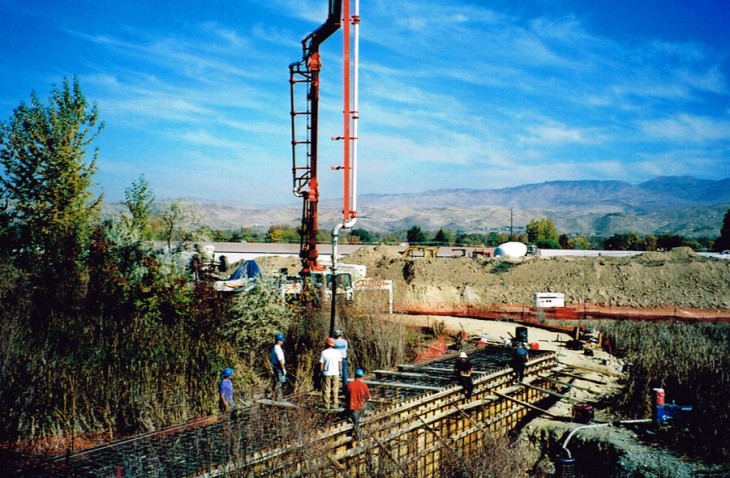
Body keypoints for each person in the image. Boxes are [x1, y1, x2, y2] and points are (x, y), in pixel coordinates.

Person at [346, 369, 371, 440]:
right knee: (357, 422)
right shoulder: (364, 385)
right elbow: (369, 397)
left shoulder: (349, 384)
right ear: (361, 376)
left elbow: (346, 396)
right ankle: (360, 438)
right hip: (361, 407)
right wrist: (363, 403)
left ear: (355, 376)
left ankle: (359, 438)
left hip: (353, 408)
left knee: (356, 424)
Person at [319, 337, 342, 409]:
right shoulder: (337, 352)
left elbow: (321, 364)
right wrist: (340, 371)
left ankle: (326, 405)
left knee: (326, 389)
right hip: (336, 373)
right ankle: (335, 404)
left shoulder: (323, 352)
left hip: (326, 373)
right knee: (335, 389)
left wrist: (321, 372)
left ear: (327, 344)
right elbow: (340, 363)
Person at [270, 333, 287, 400]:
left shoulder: (275, 347)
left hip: (276, 366)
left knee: (279, 382)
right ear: (279, 341)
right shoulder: (277, 348)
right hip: (279, 367)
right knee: (280, 382)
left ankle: (278, 397)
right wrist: (283, 369)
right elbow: (280, 360)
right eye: (281, 340)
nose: (282, 341)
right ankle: (279, 398)